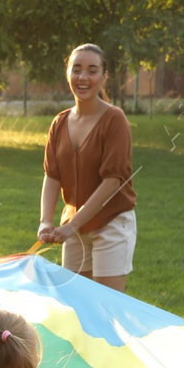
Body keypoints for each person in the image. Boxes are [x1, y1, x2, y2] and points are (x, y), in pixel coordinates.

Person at [38, 43, 137, 292]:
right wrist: (46, 221)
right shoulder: (59, 122)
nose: (83, 77)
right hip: (73, 227)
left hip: (111, 223)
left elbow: (113, 181)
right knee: (76, 308)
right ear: (68, 73)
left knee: (106, 308)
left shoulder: (115, 119)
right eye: (77, 69)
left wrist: (72, 226)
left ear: (104, 76)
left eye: (92, 70)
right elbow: (52, 175)